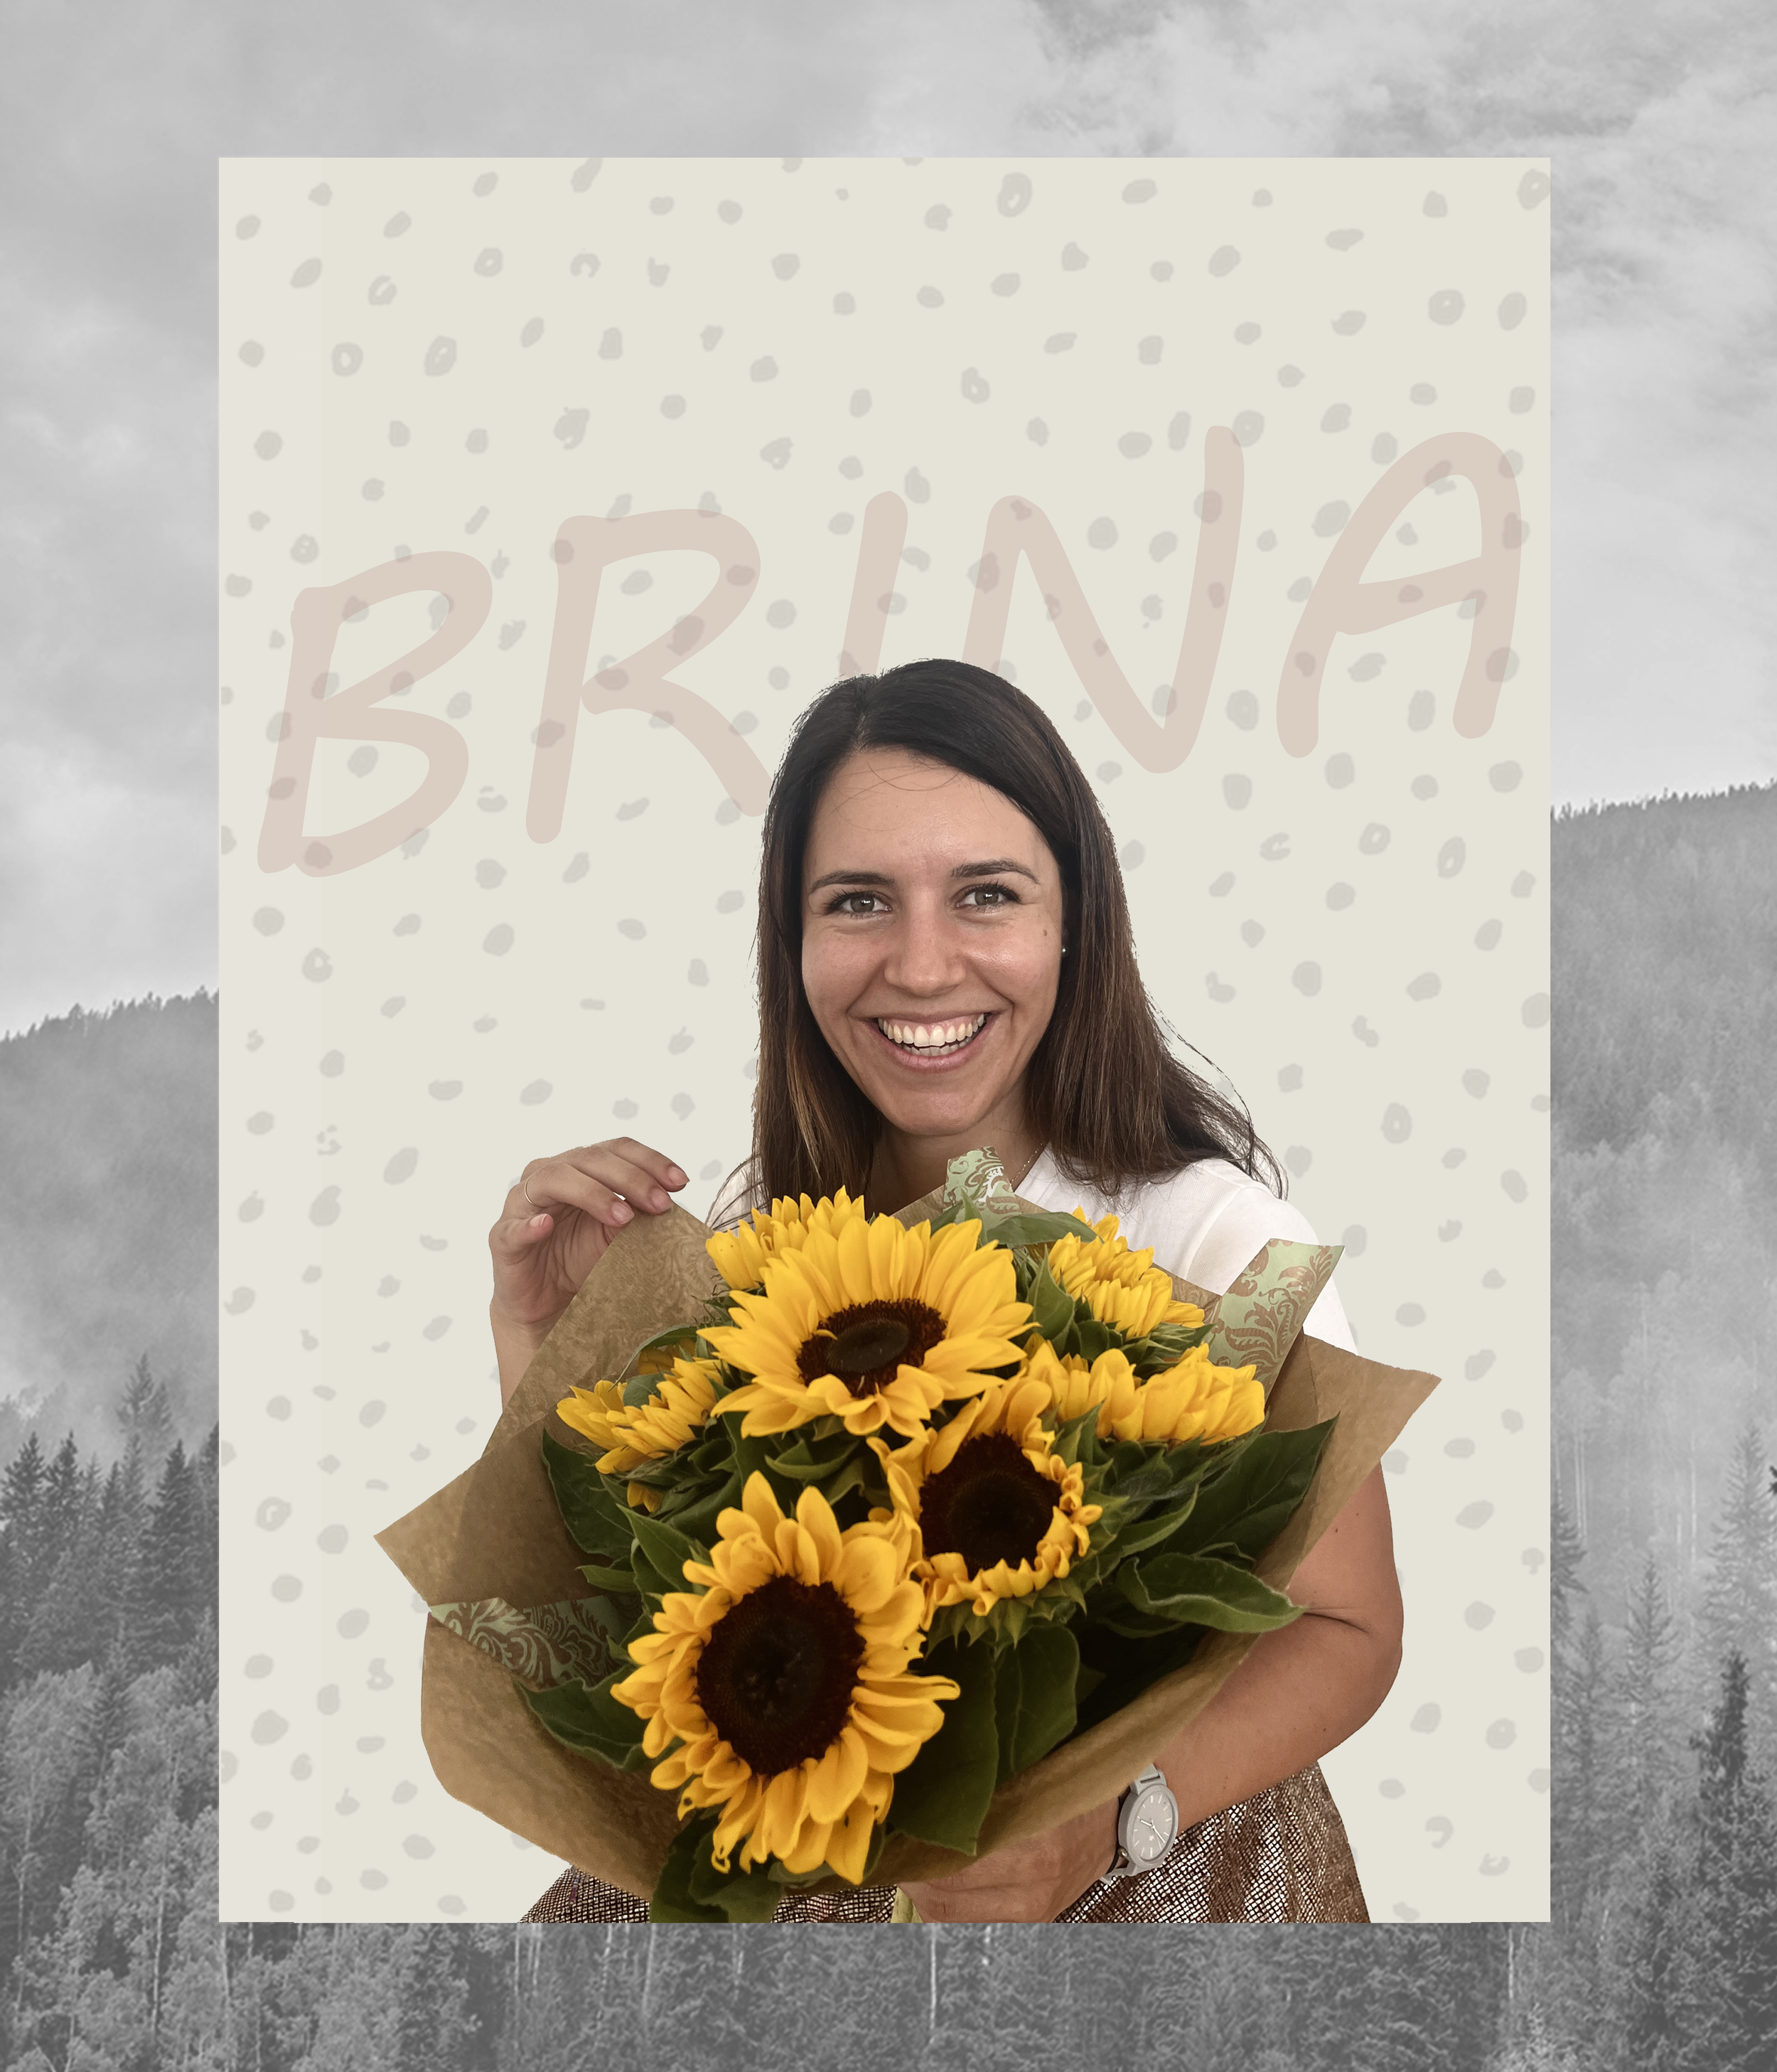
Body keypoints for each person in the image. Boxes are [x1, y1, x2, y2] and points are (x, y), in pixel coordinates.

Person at [488, 660, 1402, 1925]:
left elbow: (1349, 1629)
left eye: (987, 894)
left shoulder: (1215, 1243)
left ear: (1074, 921)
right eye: (859, 900)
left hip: (1169, 1891)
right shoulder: (761, 1250)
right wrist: (547, 1347)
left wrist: (1118, 1813)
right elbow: (630, 1638)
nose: (923, 966)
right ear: (791, 940)